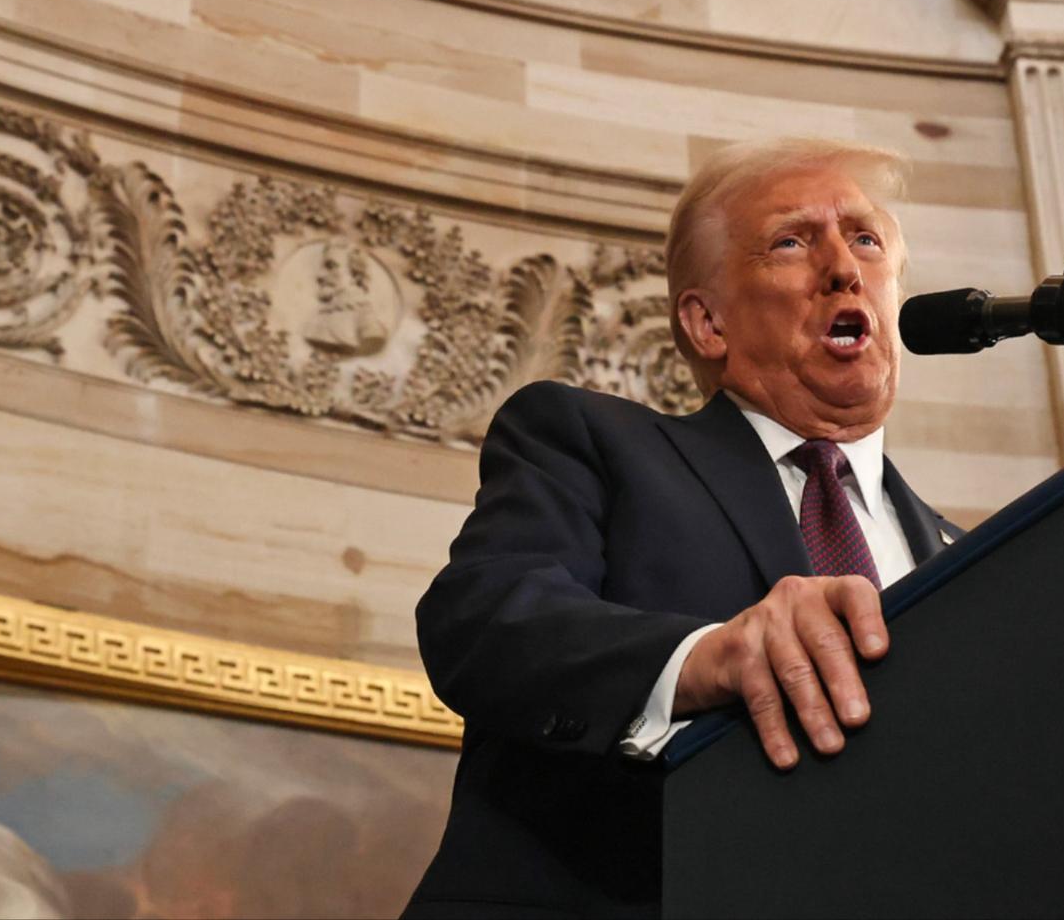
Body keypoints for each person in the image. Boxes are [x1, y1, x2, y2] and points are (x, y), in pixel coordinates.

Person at [403, 138, 960, 919]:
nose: (843, 267)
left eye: (865, 239)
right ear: (706, 323)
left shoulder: (965, 559)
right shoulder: (591, 441)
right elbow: (484, 619)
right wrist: (709, 657)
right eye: (793, 241)